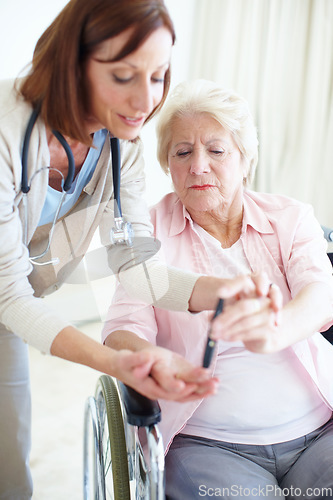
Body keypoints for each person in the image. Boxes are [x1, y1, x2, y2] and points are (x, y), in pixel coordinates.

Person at [0, 2, 262, 497]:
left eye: (159, 76)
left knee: (9, 469)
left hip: (7, 304)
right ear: (73, 65)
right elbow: (10, 295)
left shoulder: (122, 141)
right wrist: (115, 362)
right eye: (124, 75)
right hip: (7, 295)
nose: (146, 99)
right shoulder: (7, 130)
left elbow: (138, 270)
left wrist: (222, 289)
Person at [103, 80, 333, 499]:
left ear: (245, 159)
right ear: (167, 165)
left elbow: (320, 293)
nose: (199, 166)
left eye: (217, 149)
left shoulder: (290, 218)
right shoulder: (147, 231)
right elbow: (124, 328)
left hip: (320, 431)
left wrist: (276, 331)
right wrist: (148, 359)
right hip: (207, 445)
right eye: (183, 152)